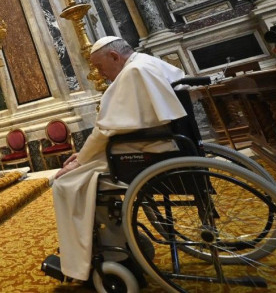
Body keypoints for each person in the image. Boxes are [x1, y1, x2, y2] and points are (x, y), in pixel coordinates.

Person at [49, 36, 186, 282]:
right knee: (83, 177)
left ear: (114, 56)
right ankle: (116, 240)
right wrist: (85, 155)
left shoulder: (132, 73)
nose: (99, 74)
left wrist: (81, 160)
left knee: (65, 183)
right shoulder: (147, 63)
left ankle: (109, 252)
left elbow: (106, 130)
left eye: (100, 67)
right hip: (156, 145)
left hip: (141, 153)